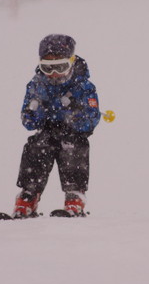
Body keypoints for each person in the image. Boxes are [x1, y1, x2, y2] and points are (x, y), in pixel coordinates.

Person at [12, 34, 101, 218]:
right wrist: (34, 112)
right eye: (47, 68)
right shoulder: (37, 85)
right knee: (36, 146)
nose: (53, 74)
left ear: (71, 62)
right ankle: (28, 196)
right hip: (47, 129)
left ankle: (74, 196)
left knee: (73, 148)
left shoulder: (83, 87)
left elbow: (91, 120)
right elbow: (29, 123)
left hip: (73, 132)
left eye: (59, 67)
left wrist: (76, 114)